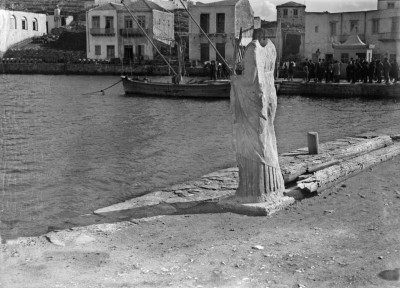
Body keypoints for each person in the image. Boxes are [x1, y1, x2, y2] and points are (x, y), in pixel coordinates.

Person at [230, 29, 285, 202]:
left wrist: (234, 79)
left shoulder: (252, 49)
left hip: (254, 103)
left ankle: (253, 191)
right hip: (269, 99)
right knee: (266, 141)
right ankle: (271, 186)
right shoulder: (271, 49)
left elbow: (249, 79)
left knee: (253, 145)